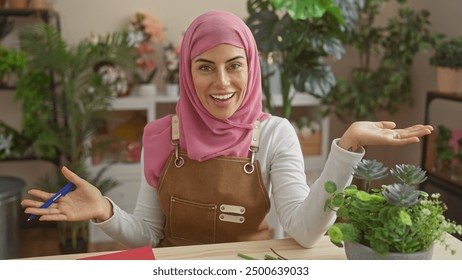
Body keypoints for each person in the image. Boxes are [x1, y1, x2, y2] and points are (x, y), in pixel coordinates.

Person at [21, 10, 433, 249]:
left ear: (251, 68)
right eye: (205, 67)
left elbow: (305, 233)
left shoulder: (274, 135)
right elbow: (148, 235)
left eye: (234, 65)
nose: (222, 82)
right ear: (187, 71)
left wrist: (347, 147)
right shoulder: (161, 135)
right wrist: (105, 212)